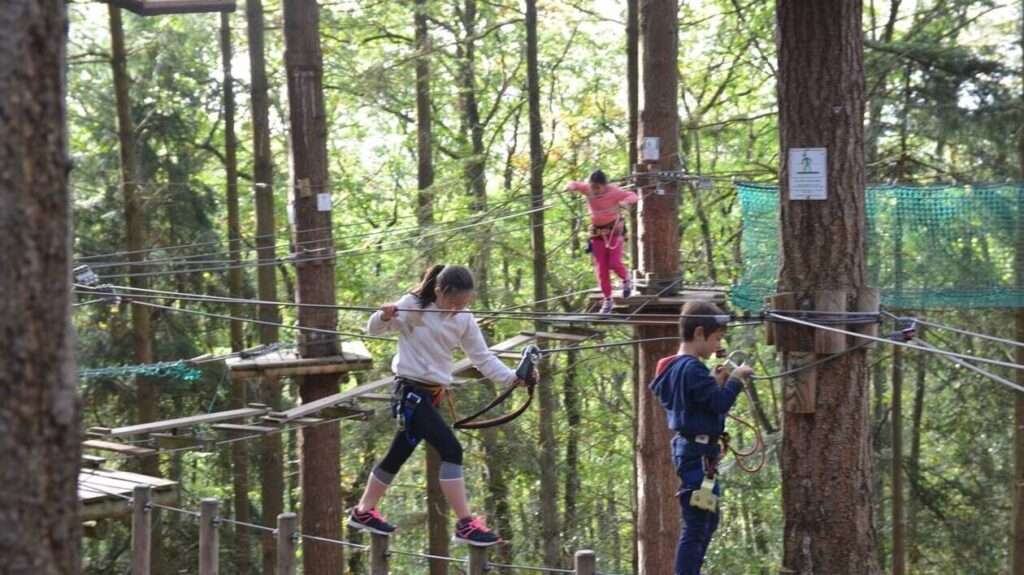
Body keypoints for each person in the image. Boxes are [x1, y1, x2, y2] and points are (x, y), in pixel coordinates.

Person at [348, 264, 534, 546]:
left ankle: (363, 511)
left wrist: (512, 378)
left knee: (398, 453)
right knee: (451, 449)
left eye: (464, 304)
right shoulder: (414, 306)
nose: (458, 309)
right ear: (439, 291)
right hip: (409, 392)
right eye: (454, 303)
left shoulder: (464, 319)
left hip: (430, 396)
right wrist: (383, 315)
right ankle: (465, 523)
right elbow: (375, 328)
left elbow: (482, 358)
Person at [649, 301, 754, 575]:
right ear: (698, 333)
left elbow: (697, 401)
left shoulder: (674, 368)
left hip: (697, 455)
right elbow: (719, 403)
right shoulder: (692, 369)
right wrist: (736, 379)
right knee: (697, 524)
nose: (718, 345)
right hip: (696, 456)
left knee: (708, 518)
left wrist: (716, 381)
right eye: (716, 338)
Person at [564, 169, 638, 313]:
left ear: (605, 185)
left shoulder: (614, 191)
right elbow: (574, 184)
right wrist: (570, 187)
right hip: (597, 233)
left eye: (598, 187)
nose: (595, 190)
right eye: (593, 187)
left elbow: (633, 195)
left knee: (614, 262)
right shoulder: (587, 189)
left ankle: (626, 278)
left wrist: (624, 202)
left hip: (614, 231)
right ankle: (608, 299)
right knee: (601, 269)